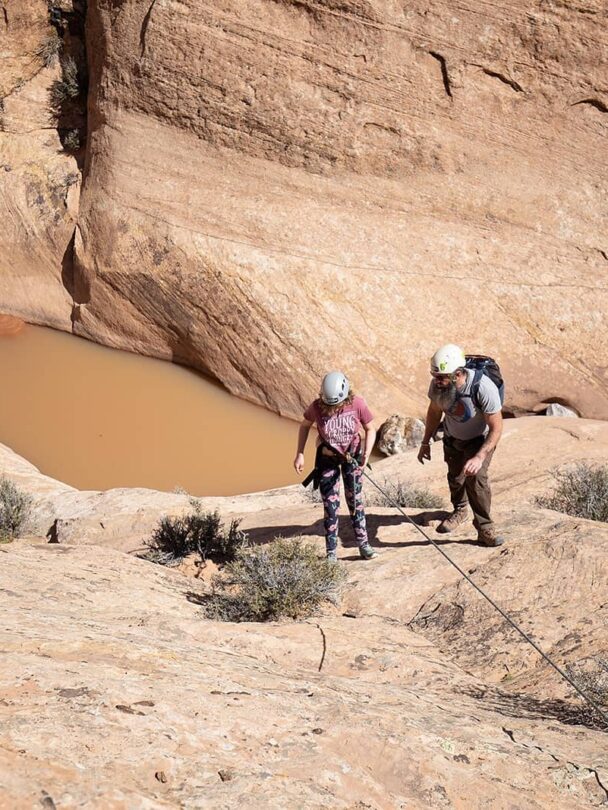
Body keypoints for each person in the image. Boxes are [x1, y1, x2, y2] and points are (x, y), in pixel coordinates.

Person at [417, 344, 504, 547]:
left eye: (442, 377)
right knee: (455, 477)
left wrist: (479, 457)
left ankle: (485, 529)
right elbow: (434, 412)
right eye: (434, 375)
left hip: (479, 440)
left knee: (476, 480)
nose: (437, 381)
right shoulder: (439, 385)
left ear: (458, 374)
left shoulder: (483, 387)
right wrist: (425, 441)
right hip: (452, 437)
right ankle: (460, 510)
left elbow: (497, 428)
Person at [294, 371, 377, 562]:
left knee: (355, 501)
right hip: (327, 459)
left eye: (337, 404)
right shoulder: (316, 406)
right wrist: (300, 454)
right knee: (330, 505)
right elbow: (305, 425)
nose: (332, 408)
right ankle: (331, 552)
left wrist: (366, 453)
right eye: (329, 404)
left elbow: (370, 428)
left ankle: (364, 546)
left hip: (352, 458)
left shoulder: (357, 403)